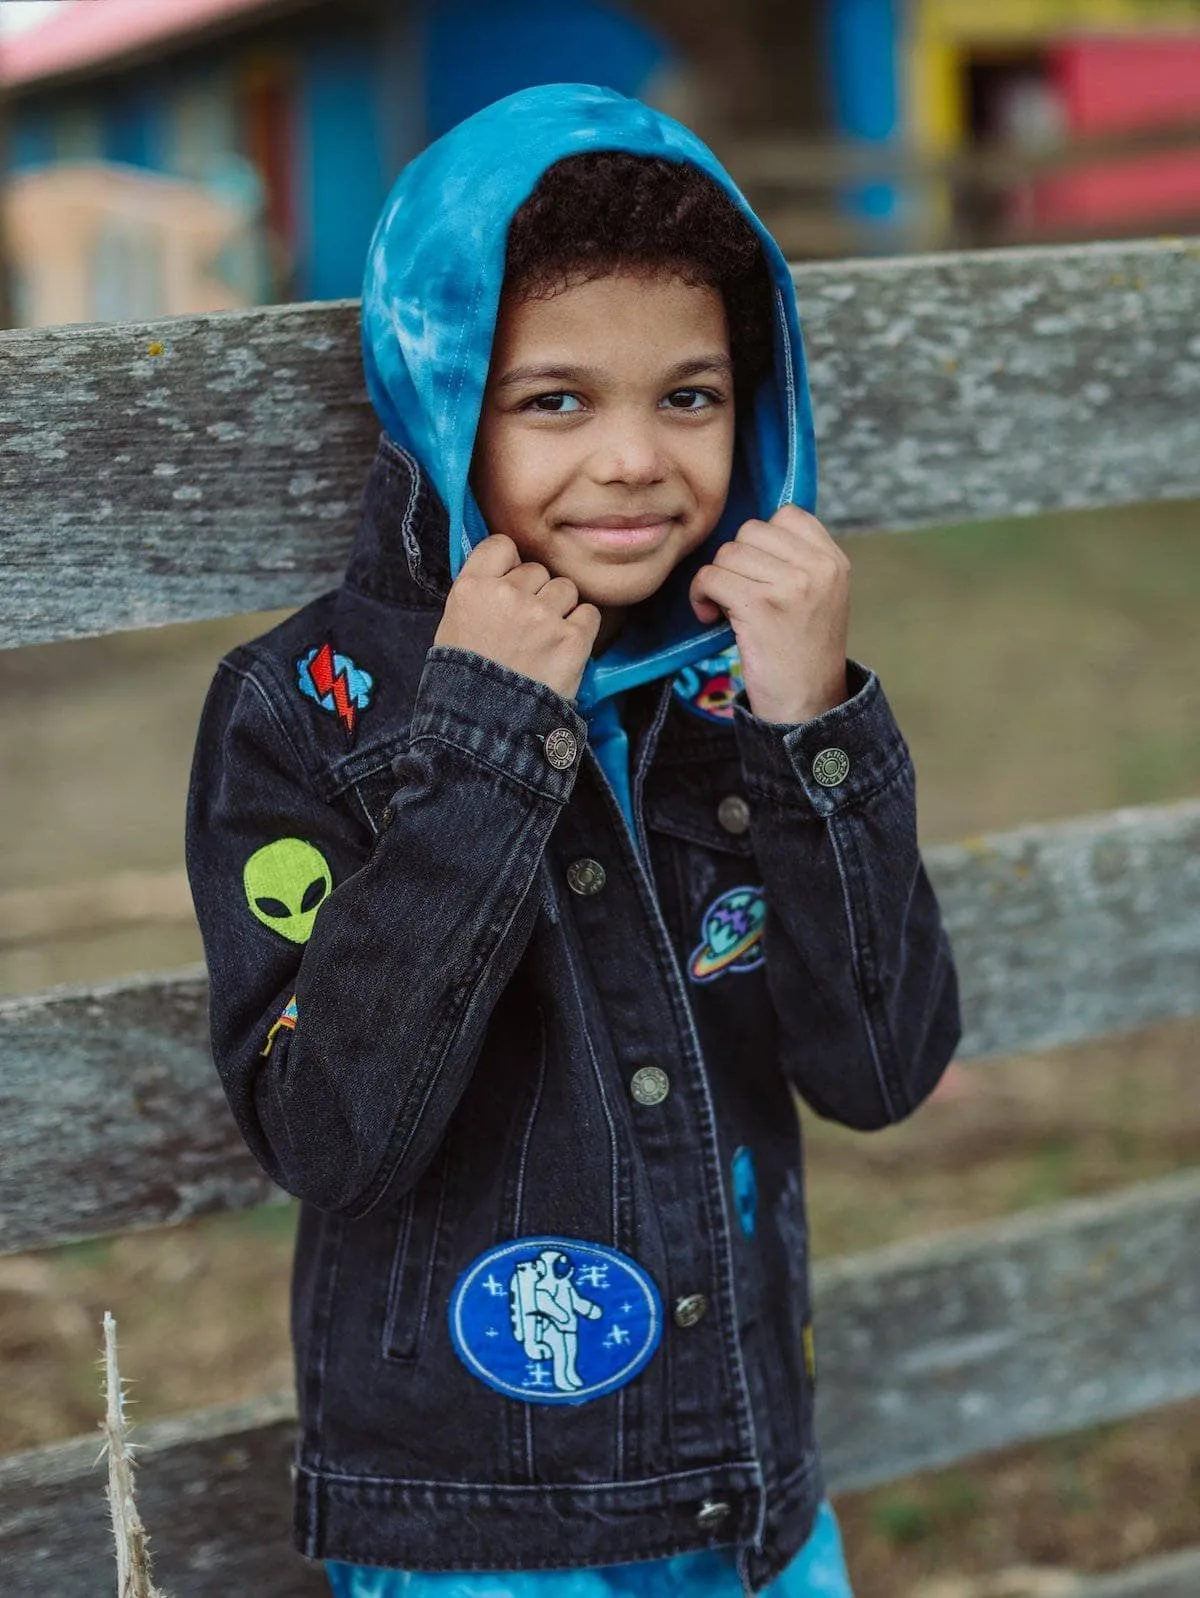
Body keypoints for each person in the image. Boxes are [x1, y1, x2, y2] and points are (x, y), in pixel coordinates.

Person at [184, 83, 961, 1598]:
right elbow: (330, 1136)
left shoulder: (754, 685)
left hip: (755, 1504)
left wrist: (814, 734)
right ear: (439, 389)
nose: (632, 461)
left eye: (690, 395)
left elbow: (881, 1071)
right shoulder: (304, 712)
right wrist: (479, 737)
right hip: (481, 1535)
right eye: (555, 399)